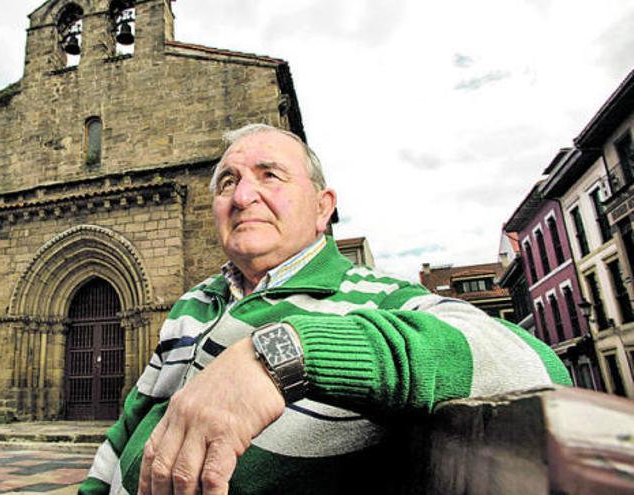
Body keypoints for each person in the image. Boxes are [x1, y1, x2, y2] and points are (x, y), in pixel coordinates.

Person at [79, 124, 570, 495]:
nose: (243, 195)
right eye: (227, 182)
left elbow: (535, 364)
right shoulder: (194, 302)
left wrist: (285, 354)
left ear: (322, 207)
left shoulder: (372, 295)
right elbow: (129, 425)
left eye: (269, 176)